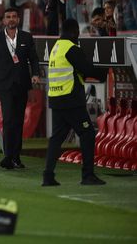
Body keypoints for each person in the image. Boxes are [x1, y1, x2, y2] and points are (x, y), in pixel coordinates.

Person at [43, 19, 108, 186]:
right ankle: (87, 175)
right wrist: (104, 72)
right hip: (71, 100)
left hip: (56, 99)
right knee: (87, 134)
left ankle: (48, 176)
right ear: (74, 31)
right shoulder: (71, 48)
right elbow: (86, 69)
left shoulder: (56, 48)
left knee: (56, 138)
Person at [0, 8, 40, 170]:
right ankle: (8, 156)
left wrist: (35, 74)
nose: (11, 19)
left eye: (14, 17)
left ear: (18, 19)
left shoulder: (26, 37)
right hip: (4, 85)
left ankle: (16, 156)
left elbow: (33, 58)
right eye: (8, 17)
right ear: (3, 21)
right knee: (8, 120)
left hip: (22, 84)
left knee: (18, 121)